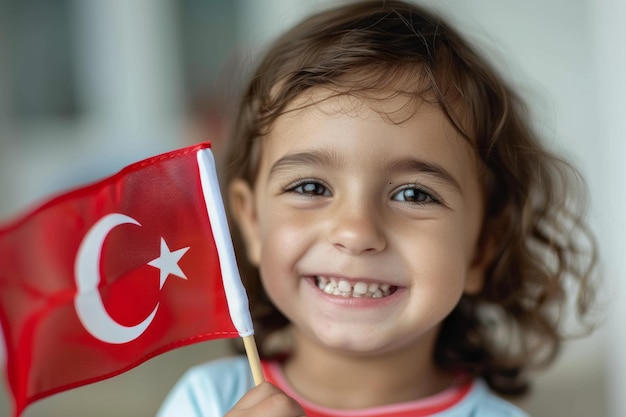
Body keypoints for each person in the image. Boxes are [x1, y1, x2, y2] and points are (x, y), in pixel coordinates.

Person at [157, 1, 598, 416]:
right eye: (311, 186)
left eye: (413, 194)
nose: (356, 231)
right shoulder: (208, 402)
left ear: (483, 245)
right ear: (251, 222)